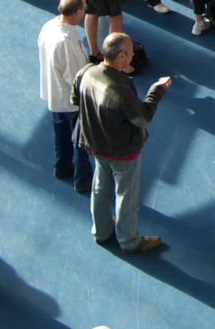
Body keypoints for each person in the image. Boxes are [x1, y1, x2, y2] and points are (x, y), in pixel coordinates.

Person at [73, 33, 171, 254]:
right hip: (122, 151)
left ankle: (101, 230)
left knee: (100, 188)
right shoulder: (121, 88)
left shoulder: (86, 72)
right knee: (126, 196)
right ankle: (129, 240)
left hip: (95, 146)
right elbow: (142, 118)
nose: (134, 54)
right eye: (130, 52)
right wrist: (157, 91)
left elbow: (74, 99)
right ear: (121, 56)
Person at [39, 0, 95, 193]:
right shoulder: (66, 42)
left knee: (60, 132)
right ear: (78, 12)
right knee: (80, 139)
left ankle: (62, 167)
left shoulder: (49, 26)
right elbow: (75, 77)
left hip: (55, 96)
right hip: (71, 101)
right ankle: (83, 179)